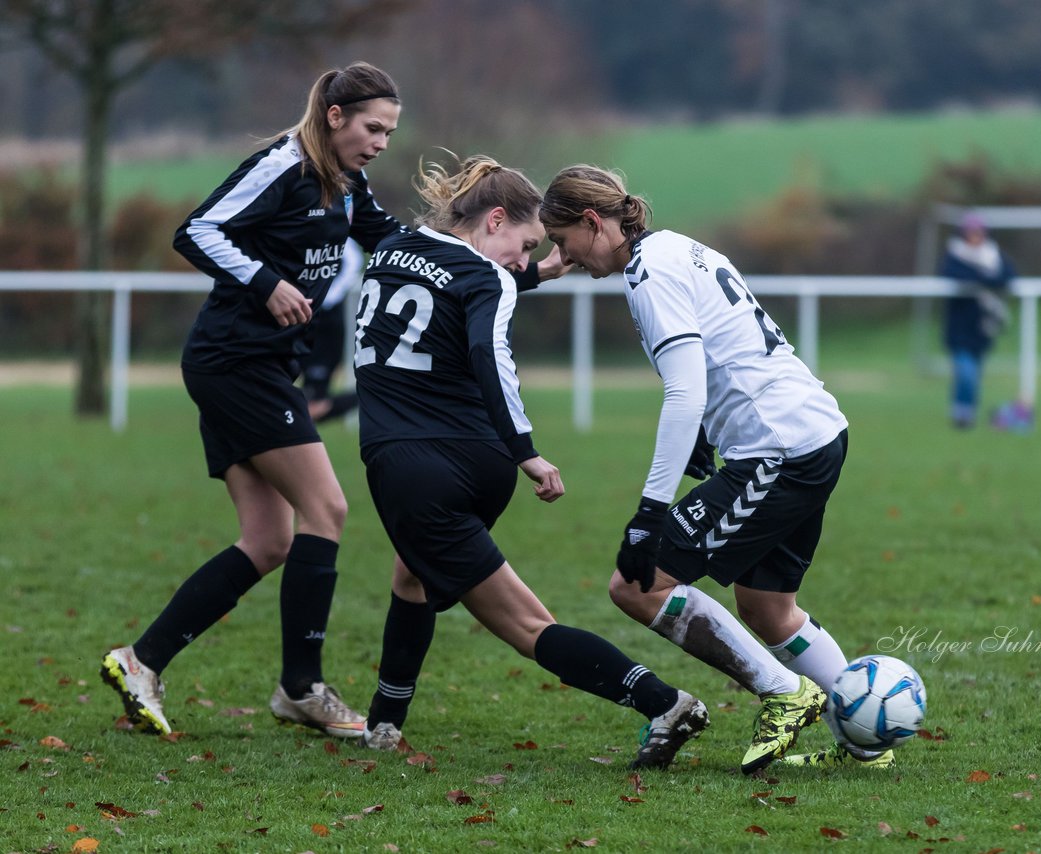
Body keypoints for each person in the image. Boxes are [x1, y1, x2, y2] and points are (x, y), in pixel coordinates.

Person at [353, 154, 709, 771]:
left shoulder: (390, 248)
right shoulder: (482, 277)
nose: (523, 259)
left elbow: (489, 354)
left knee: (526, 625)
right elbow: (475, 290)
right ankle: (384, 723)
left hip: (423, 469)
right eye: (523, 244)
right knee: (410, 574)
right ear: (495, 220)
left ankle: (665, 702)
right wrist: (538, 275)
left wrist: (529, 453)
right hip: (459, 461)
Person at [538, 165, 892, 774]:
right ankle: (866, 744)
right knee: (767, 607)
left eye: (561, 237)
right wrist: (709, 435)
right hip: (815, 431)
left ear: (592, 222)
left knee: (637, 584)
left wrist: (649, 513)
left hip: (779, 448)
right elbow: (724, 349)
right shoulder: (679, 247)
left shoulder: (650, 276)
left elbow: (684, 392)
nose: (560, 254)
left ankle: (784, 693)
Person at [100, 62, 406, 738]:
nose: (381, 142)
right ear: (335, 116)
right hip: (235, 364)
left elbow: (391, 242)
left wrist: (496, 264)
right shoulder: (284, 165)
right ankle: (301, 687)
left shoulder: (348, 182)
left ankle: (141, 661)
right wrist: (268, 282)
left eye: (389, 131)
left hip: (257, 366)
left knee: (269, 541)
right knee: (326, 507)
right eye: (373, 128)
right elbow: (198, 230)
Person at [940, 212, 1017, 429]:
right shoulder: (954, 256)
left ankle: (965, 412)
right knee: (966, 373)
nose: (975, 237)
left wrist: (985, 279)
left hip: (983, 327)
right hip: (958, 326)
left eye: (979, 233)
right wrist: (985, 279)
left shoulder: (993, 255)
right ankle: (962, 413)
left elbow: (1009, 276)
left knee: (974, 373)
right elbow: (956, 276)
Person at [301, 237, 364, 425]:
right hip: (299, 320)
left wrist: (327, 297)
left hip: (326, 324)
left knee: (314, 406)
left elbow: (354, 262)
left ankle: (371, 397)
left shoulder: (336, 232)